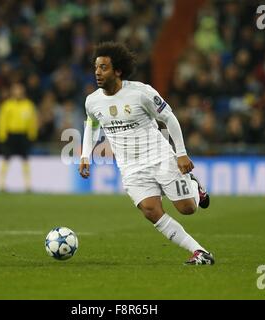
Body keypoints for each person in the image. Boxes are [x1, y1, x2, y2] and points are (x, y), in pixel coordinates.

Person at [79, 42, 214, 265]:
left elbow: (168, 118)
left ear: (118, 71)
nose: (97, 72)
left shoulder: (141, 93)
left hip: (160, 158)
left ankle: (193, 186)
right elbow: (91, 126)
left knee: (187, 209)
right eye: (96, 67)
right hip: (130, 167)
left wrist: (181, 153)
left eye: (103, 67)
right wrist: (85, 155)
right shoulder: (92, 101)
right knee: (151, 211)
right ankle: (200, 252)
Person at [0, 82, 38, 192]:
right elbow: (2, 121)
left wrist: (32, 134)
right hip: (10, 135)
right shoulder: (7, 105)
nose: (18, 92)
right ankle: (1, 184)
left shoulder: (28, 105)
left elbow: (33, 121)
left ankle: (28, 185)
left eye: (20, 90)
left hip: (23, 135)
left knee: (25, 159)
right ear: (12, 92)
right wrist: (2, 135)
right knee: (6, 158)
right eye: (16, 90)